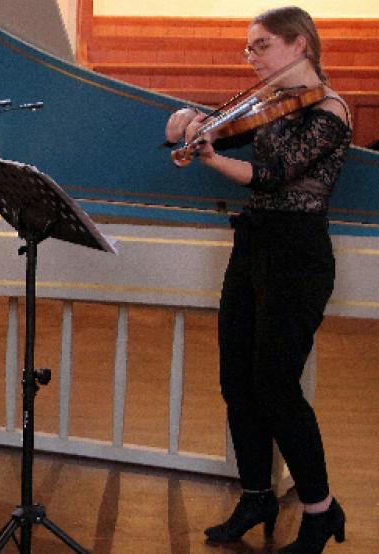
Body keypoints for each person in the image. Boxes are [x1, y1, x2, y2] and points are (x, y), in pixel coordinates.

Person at [165, 6, 350, 554]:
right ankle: (256, 494)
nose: (252, 57)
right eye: (248, 48)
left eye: (261, 45)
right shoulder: (269, 105)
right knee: (237, 381)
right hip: (252, 248)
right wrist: (189, 120)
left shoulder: (331, 112)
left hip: (298, 257)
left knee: (276, 386)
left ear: (300, 46)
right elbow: (232, 135)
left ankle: (320, 510)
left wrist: (208, 156)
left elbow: (271, 175)